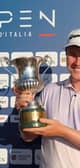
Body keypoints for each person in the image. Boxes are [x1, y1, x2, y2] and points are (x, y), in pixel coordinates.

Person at [13, 28, 80, 168]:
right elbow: (28, 137)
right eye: (73, 55)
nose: (77, 61)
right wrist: (24, 112)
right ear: (66, 56)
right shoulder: (49, 90)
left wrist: (62, 131)